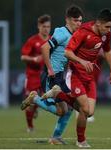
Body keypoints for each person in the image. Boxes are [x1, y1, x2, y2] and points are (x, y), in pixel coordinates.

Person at [44, 8, 111, 147]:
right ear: (98, 23)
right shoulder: (83, 32)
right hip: (75, 74)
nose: (109, 30)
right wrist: (82, 61)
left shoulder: (106, 34)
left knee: (89, 112)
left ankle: (58, 93)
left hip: (90, 78)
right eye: (107, 27)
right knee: (84, 107)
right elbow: (67, 52)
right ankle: (81, 141)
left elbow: (107, 50)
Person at [21, 5, 84, 144]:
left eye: (80, 21)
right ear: (67, 20)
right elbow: (45, 47)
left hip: (60, 76)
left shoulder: (74, 35)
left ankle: (56, 137)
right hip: (51, 76)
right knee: (63, 110)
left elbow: (65, 56)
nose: (78, 24)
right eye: (75, 20)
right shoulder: (62, 33)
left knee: (69, 108)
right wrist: (50, 69)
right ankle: (35, 100)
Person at [20, 14, 51, 133]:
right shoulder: (32, 41)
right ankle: (30, 127)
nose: (46, 29)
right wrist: (33, 59)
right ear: (39, 26)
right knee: (30, 102)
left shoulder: (52, 40)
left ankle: (37, 107)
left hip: (47, 75)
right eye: (44, 26)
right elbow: (23, 57)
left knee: (47, 99)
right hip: (33, 75)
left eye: (48, 26)